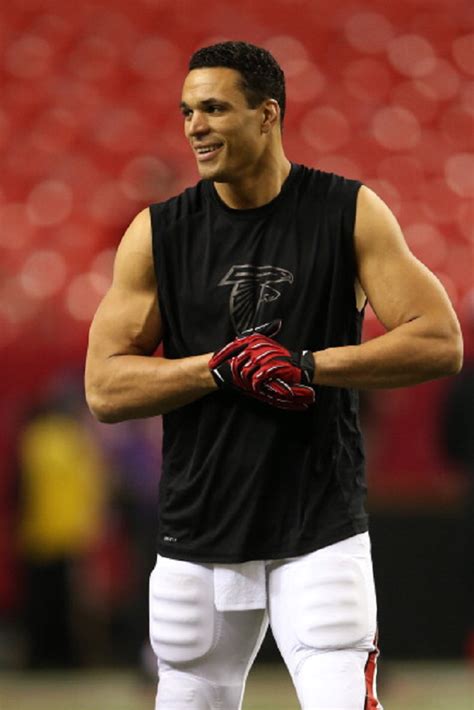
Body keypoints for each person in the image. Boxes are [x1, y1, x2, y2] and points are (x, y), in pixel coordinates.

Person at [85, 41, 463, 710]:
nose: (195, 126)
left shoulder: (346, 212)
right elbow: (105, 388)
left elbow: (439, 341)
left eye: (214, 108)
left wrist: (307, 364)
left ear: (268, 115)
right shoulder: (158, 233)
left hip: (315, 523)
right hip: (198, 527)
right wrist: (217, 370)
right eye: (187, 111)